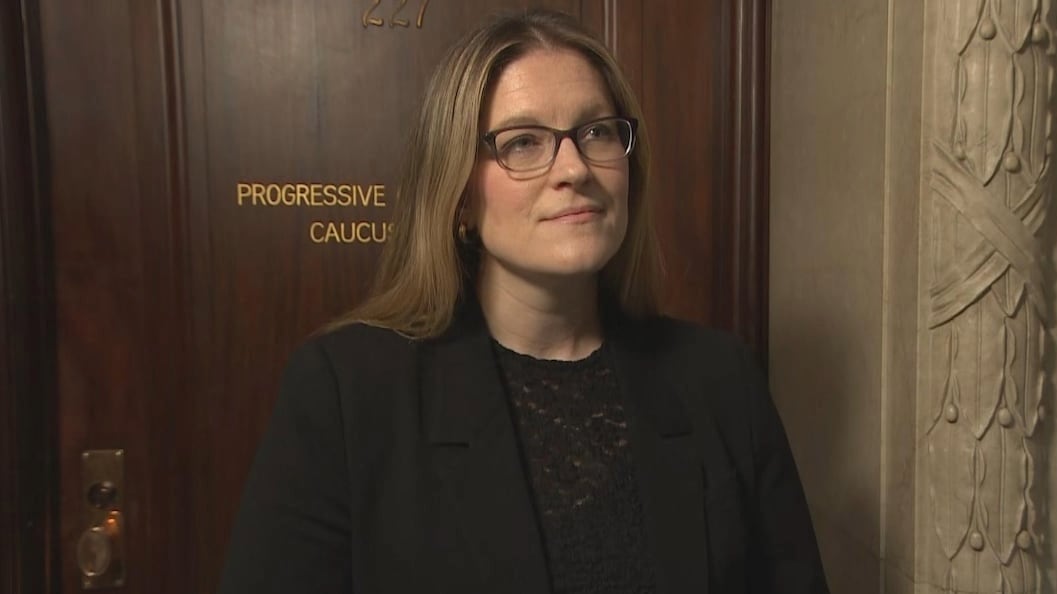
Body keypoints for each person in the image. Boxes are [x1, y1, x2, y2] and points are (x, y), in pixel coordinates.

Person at [218, 9, 828, 594]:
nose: (573, 168)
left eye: (596, 131)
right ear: (458, 194)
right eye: (523, 142)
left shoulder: (722, 381)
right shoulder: (347, 392)